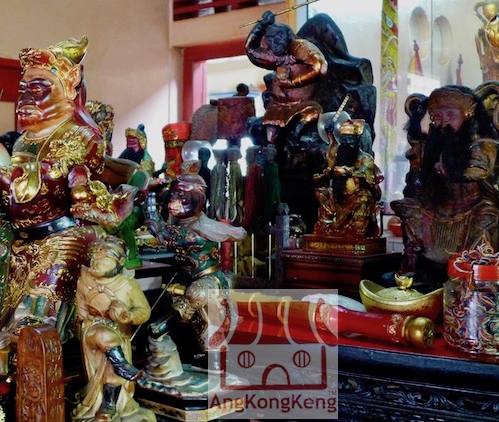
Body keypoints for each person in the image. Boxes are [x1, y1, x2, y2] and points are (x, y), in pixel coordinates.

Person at [0, 36, 131, 339]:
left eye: (38, 89)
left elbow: (53, 180)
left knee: (33, 325)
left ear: (69, 86)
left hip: (62, 237)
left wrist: (3, 177)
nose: (25, 98)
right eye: (23, 90)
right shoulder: (23, 140)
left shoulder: (83, 135)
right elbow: (14, 189)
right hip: (23, 240)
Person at [391, 85, 499, 281]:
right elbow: (417, 172)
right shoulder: (430, 144)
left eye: (451, 115)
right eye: (437, 116)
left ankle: (474, 272)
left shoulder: (481, 144)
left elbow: (480, 169)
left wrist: (454, 173)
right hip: (435, 205)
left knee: (487, 215)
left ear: (467, 114)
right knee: (410, 209)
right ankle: (412, 267)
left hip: (471, 206)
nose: (443, 122)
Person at [144, 174, 246, 372]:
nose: (173, 202)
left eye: (180, 196)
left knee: (204, 314)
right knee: (206, 324)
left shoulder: (196, 230)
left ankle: (161, 328)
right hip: (200, 280)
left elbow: (157, 229)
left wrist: (150, 197)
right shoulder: (186, 225)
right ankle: (214, 363)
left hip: (207, 281)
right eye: (173, 196)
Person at [72, 236, 155, 421]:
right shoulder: (84, 282)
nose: (96, 262)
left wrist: (127, 315)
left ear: (120, 261)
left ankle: (109, 405)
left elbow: (144, 311)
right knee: (102, 334)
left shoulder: (128, 285)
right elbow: (81, 313)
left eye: (103, 259)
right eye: (94, 258)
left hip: (119, 334)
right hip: (93, 331)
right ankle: (121, 364)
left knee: (111, 369)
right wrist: (85, 322)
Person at [245, 10, 328, 145]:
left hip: (302, 104)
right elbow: (251, 49)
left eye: (279, 36)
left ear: (289, 36)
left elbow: (319, 66)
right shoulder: (275, 56)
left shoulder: (300, 47)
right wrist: (261, 26)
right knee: (270, 136)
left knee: (313, 113)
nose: (275, 41)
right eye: (270, 38)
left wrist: (293, 82)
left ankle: (295, 136)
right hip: (278, 105)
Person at [313, 119, 383, 237]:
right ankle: (327, 223)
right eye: (344, 140)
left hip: (356, 193)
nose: (346, 143)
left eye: (350, 139)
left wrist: (349, 172)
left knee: (364, 198)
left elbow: (368, 175)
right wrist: (321, 176)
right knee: (321, 193)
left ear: (356, 140)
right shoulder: (339, 155)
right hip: (337, 193)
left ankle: (358, 224)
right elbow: (331, 167)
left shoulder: (365, 158)